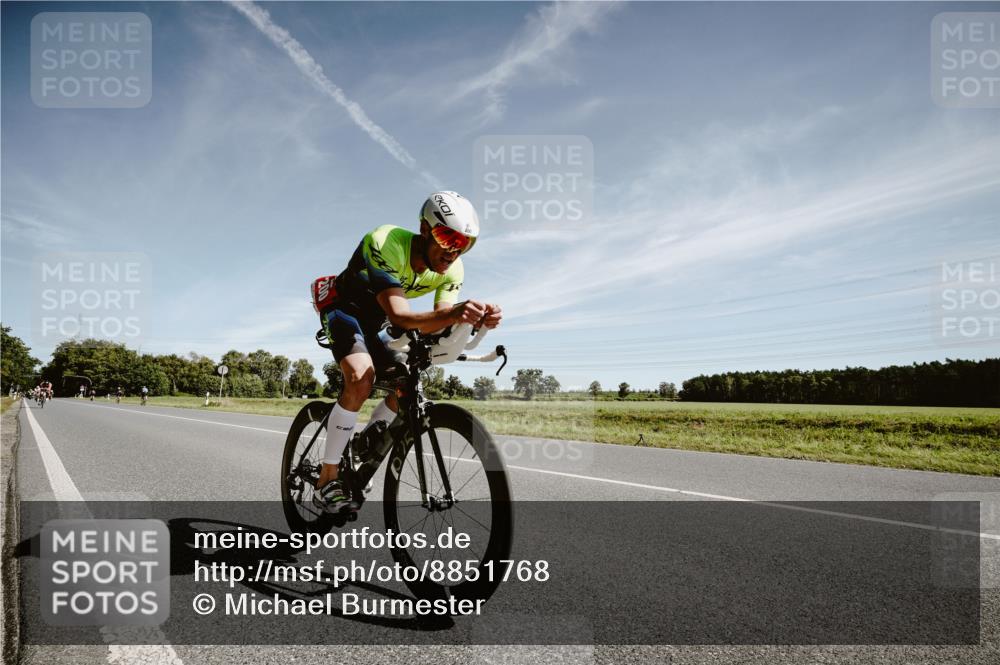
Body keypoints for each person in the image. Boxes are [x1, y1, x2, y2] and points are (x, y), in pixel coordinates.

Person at [311, 191, 502, 514]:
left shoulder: (453, 270)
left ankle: (365, 443)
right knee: (361, 378)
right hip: (346, 309)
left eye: (464, 243)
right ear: (425, 229)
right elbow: (401, 316)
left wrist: (473, 321)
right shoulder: (385, 241)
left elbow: (437, 321)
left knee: (406, 385)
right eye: (446, 237)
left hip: (382, 320)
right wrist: (456, 313)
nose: (453, 251)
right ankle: (327, 479)